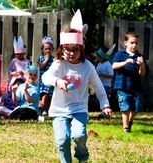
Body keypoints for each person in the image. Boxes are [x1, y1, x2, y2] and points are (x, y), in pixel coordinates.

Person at [42, 9, 112, 162]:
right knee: (62, 140)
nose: (71, 53)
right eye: (67, 49)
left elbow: (99, 87)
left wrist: (105, 105)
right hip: (59, 110)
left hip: (79, 109)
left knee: (79, 136)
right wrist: (57, 81)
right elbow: (45, 77)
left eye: (75, 50)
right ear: (62, 48)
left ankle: (82, 157)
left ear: (81, 48)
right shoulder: (59, 64)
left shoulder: (88, 67)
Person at [112, 31, 146, 133]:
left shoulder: (139, 56)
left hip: (136, 86)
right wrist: (125, 62)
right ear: (125, 42)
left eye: (136, 43)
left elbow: (142, 73)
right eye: (132, 43)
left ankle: (130, 121)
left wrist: (142, 65)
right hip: (123, 85)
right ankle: (126, 128)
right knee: (125, 107)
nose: (134, 45)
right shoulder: (120, 54)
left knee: (136, 108)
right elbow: (114, 66)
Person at [96, 45, 115, 118]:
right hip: (99, 84)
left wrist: (101, 75)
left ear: (102, 57)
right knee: (98, 99)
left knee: (103, 98)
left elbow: (111, 75)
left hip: (106, 85)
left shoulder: (108, 64)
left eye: (98, 57)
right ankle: (102, 111)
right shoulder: (99, 64)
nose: (97, 58)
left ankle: (105, 112)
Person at [37, 36, 54, 116]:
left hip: (51, 80)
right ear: (42, 50)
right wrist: (46, 60)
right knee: (44, 93)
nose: (48, 50)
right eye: (46, 49)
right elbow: (41, 66)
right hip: (43, 80)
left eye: (49, 49)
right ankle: (42, 107)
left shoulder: (53, 59)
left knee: (50, 95)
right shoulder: (41, 58)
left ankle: (47, 109)